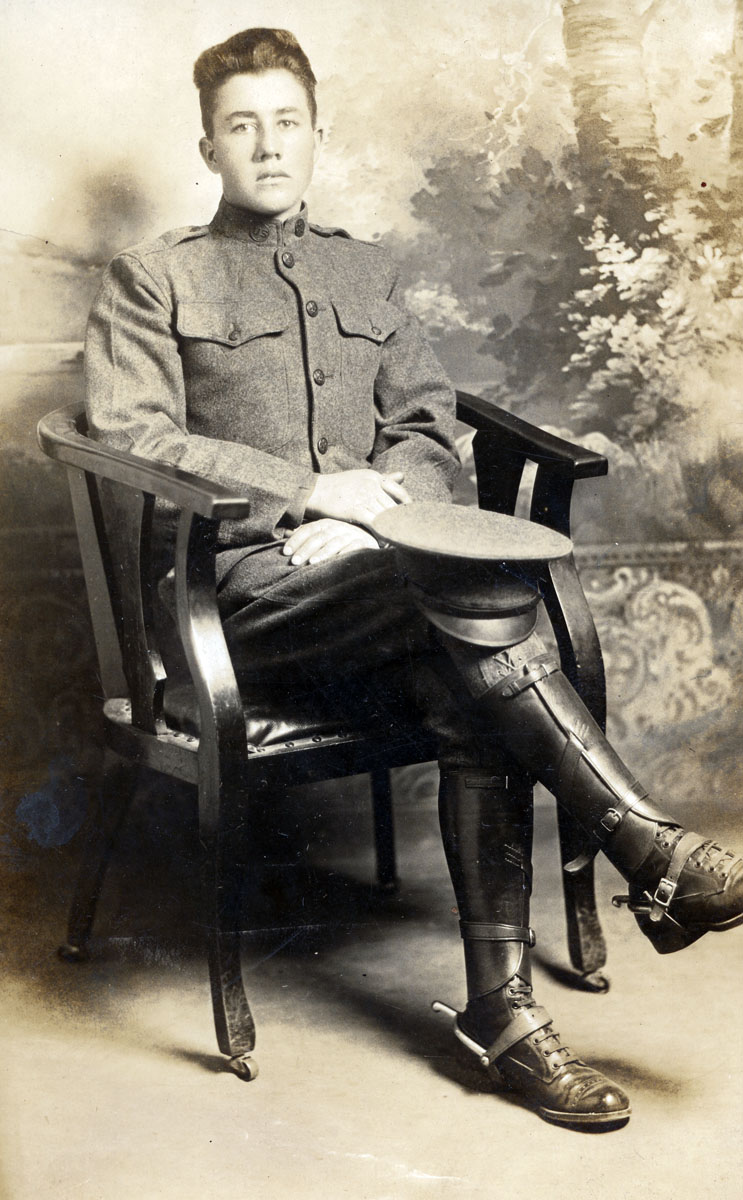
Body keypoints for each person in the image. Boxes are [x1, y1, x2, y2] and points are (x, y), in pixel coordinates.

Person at [84, 27, 743, 1129]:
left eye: (286, 122)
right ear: (207, 148)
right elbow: (132, 435)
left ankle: (506, 1016)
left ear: (316, 136)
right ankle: (648, 847)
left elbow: (427, 428)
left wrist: (375, 525)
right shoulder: (154, 278)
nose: (267, 145)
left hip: (375, 583)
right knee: (484, 606)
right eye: (242, 126)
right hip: (229, 596)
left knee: (467, 671)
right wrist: (311, 493)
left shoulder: (368, 270)